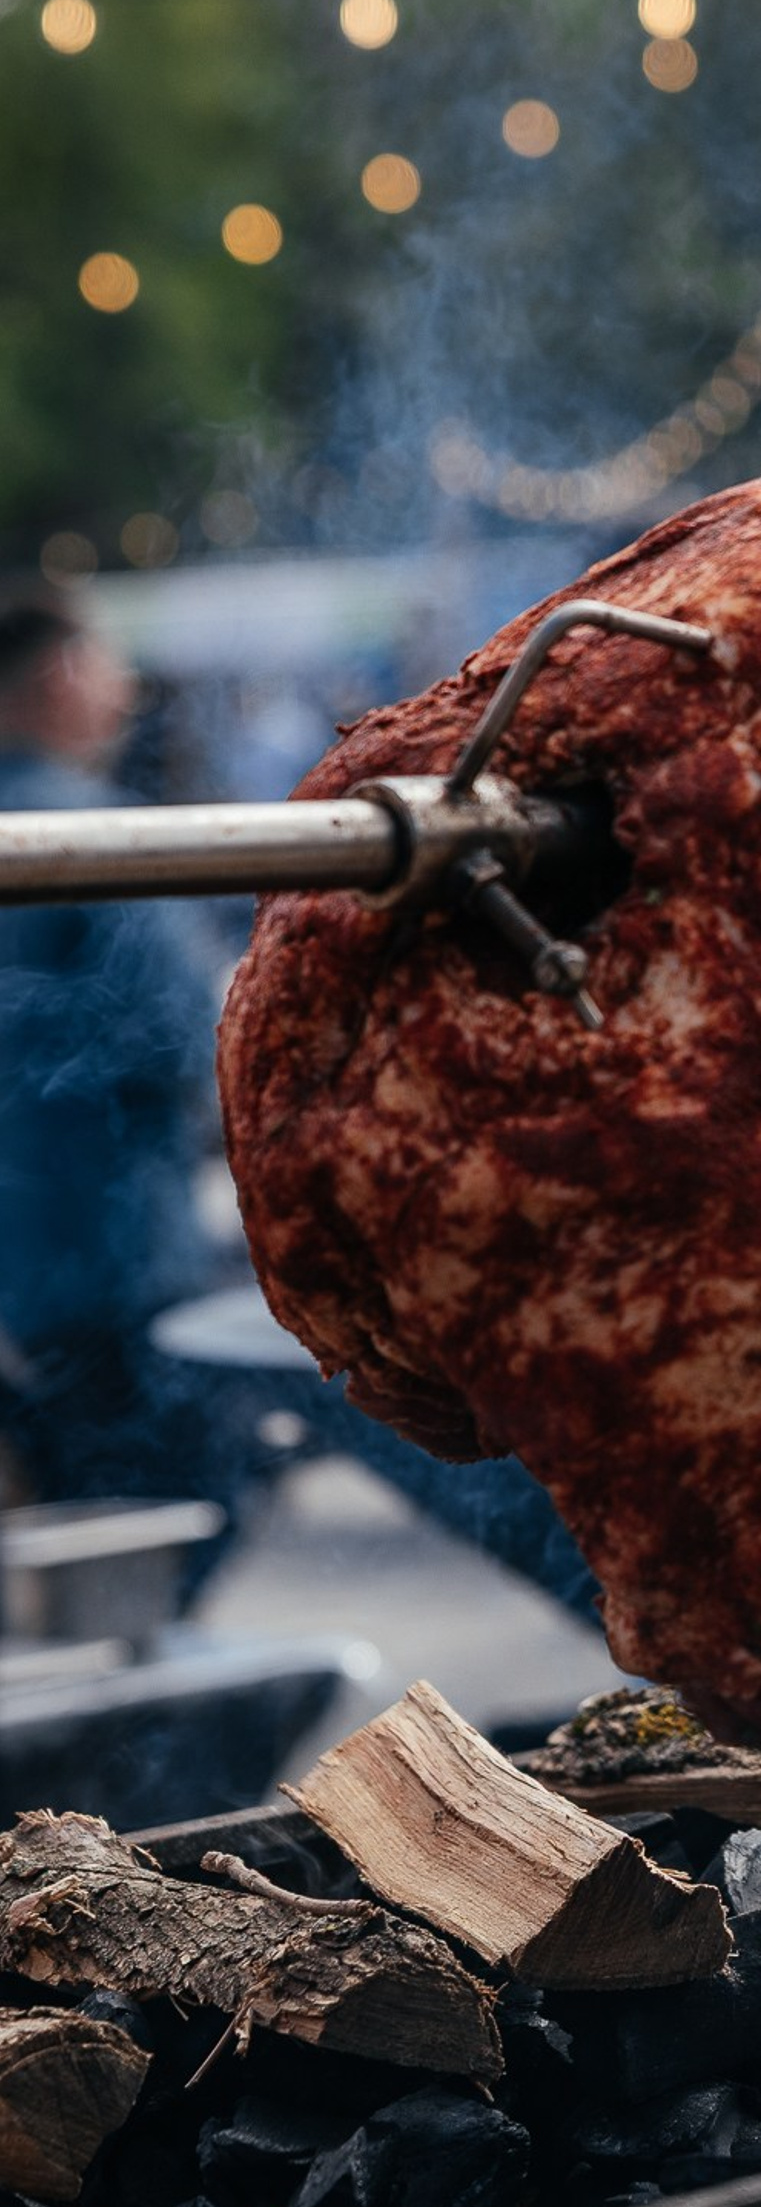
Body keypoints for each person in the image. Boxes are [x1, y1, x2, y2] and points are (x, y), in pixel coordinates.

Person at [0, 582, 257, 1553]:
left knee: (76, 1538)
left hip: (19, 1281)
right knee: (186, 1513)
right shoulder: (100, 836)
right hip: (117, 1269)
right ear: (66, 671)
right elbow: (191, 1043)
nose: (124, 689)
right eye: (110, 664)